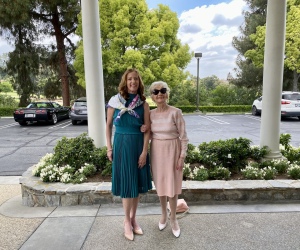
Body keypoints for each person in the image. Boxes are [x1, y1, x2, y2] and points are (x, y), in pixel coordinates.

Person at [106, 68, 152, 241]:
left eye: (136, 79)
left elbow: (147, 129)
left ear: (139, 83)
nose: (133, 82)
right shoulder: (114, 102)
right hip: (121, 145)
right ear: (125, 82)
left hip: (137, 145)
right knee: (127, 183)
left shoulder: (143, 104)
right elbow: (108, 126)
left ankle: (133, 219)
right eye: (130, 79)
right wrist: (109, 148)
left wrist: (144, 152)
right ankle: (126, 221)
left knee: (136, 183)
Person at [149, 81, 189, 238]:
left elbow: (184, 137)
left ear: (167, 93)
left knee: (172, 186)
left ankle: (173, 219)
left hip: (173, 151)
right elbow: (148, 135)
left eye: (163, 90)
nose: (160, 93)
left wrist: (182, 156)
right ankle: (163, 216)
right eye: (156, 91)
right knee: (161, 186)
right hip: (157, 151)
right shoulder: (150, 114)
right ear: (152, 96)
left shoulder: (176, 112)